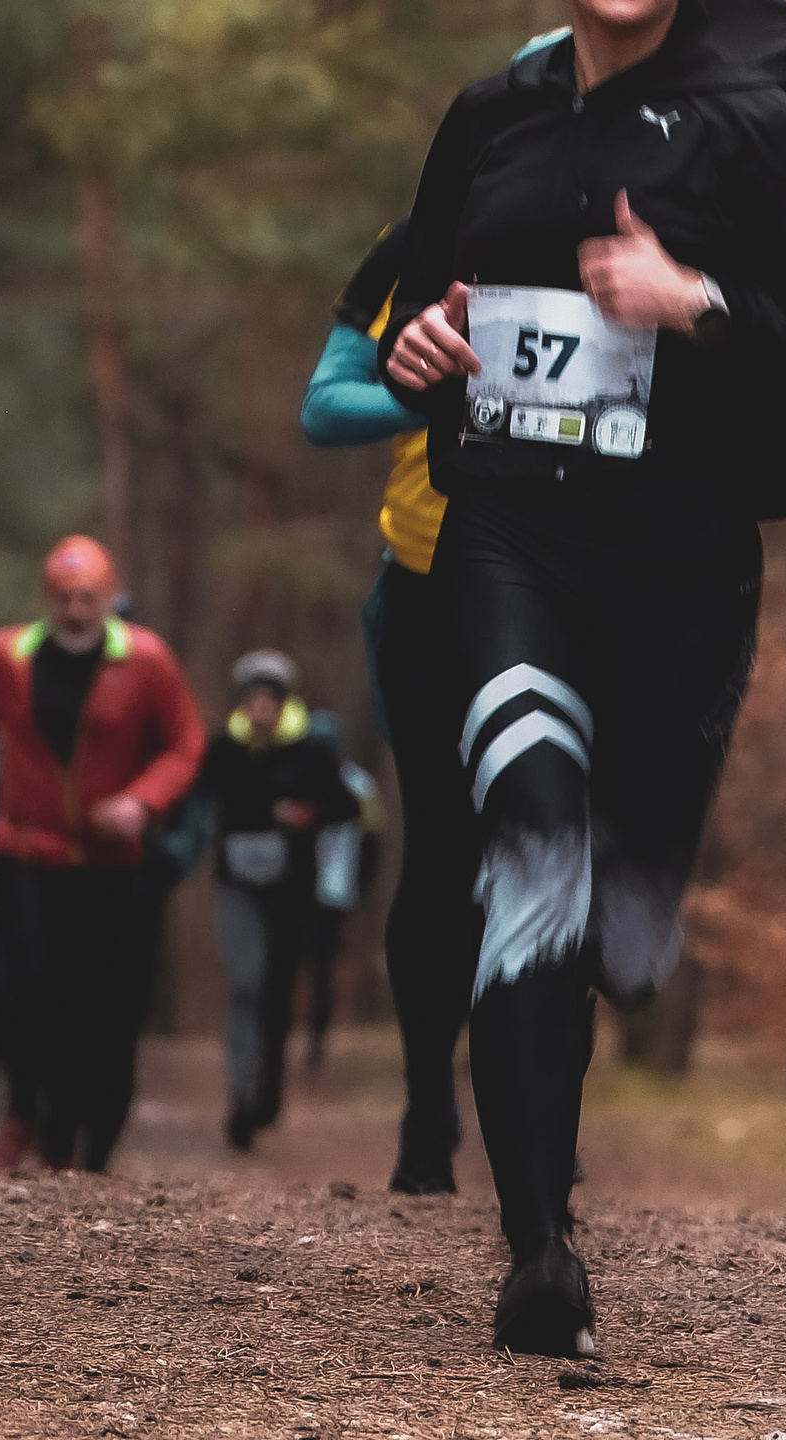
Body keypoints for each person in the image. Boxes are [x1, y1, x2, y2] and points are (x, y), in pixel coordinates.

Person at [383, 0, 786, 1355]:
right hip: (508, 541)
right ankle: (540, 1245)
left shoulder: (752, 127)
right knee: (529, 833)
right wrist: (421, 355)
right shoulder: (490, 117)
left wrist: (700, 302)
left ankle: (641, 895)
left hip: (679, 559)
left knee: (614, 903)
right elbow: (416, 317)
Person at [0, 534, 206, 1172]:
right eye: (64, 597)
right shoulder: (6, 655)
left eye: (89, 598)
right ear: (45, 598)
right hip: (27, 855)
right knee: (18, 996)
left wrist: (143, 801)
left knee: (98, 1011)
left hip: (114, 869)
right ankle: (29, 1118)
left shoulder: (148, 660)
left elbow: (185, 745)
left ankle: (84, 1145)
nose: (77, 610)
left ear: (110, 598)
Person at [301, 218, 474, 1194]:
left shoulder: (649, 234)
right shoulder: (416, 244)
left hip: (590, 582)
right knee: (446, 846)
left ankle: (534, 1101)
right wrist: (419, 390)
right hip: (430, 575)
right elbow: (325, 408)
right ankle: (426, 1105)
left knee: (554, 844)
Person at [198, 650, 360, 1149]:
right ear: (243, 703)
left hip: (292, 894)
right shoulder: (224, 749)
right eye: (253, 699)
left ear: (283, 702)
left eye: (271, 699)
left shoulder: (312, 751)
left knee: (277, 993)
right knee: (245, 984)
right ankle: (242, 1096)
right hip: (237, 888)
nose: (261, 708)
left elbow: (346, 806)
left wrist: (307, 812)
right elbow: (196, 799)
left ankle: (268, 1085)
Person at [298, 713, 382, 1076]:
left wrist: (360, 890)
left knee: (321, 968)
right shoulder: (299, 779)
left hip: (333, 891)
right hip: (308, 890)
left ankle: (315, 1043)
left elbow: (373, 843)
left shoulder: (360, 787)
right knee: (312, 967)